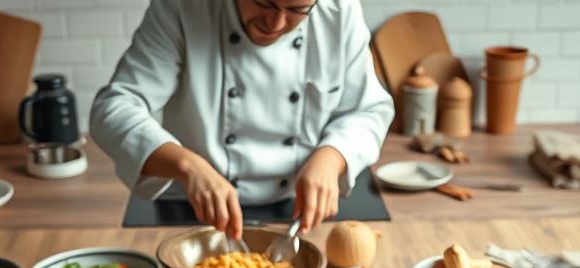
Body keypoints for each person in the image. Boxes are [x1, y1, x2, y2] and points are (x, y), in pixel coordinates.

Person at [90, 0, 393, 238]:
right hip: (192, 208)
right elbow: (113, 108)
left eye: (297, 10)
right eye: (263, 2)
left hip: (298, 210)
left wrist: (332, 157)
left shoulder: (339, 11)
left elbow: (370, 110)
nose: (275, 23)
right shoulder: (182, 6)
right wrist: (188, 166)